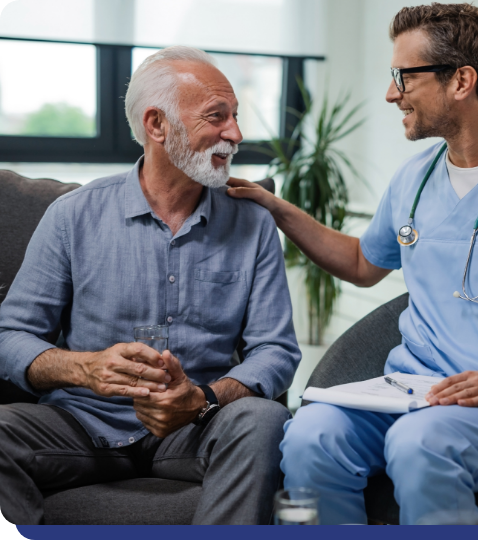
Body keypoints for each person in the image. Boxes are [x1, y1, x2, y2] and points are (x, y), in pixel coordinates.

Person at [227, 4, 478, 525]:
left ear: (461, 80)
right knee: (311, 435)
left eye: (403, 76)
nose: (390, 93)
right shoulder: (415, 177)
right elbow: (361, 262)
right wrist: (278, 209)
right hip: (415, 392)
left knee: (421, 443)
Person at [0, 46, 301, 525]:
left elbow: (276, 350)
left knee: (264, 421)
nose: (236, 134)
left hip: (196, 427)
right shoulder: (72, 216)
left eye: (235, 117)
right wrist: (83, 369)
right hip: (80, 423)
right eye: (216, 117)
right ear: (156, 125)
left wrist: (203, 400)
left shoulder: (253, 223)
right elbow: (9, 337)